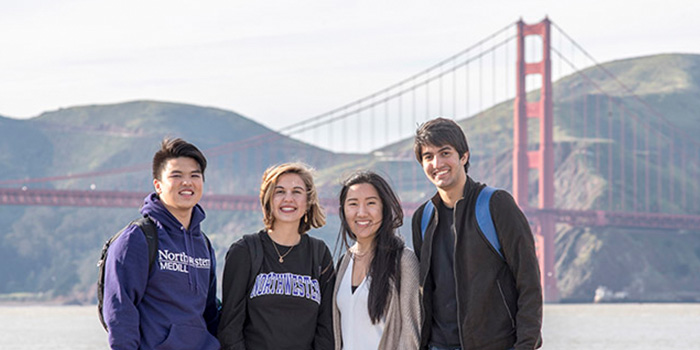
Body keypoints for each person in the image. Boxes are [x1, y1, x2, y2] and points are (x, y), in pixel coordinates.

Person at [411, 118, 543, 350]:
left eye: (445, 153)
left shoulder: (496, 205)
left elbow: (528, 281)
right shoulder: (422, 218)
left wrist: (525, 345)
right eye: (428, 157)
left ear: (464, 156)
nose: (437, 163)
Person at [102, 138, 220, 349]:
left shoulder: (204, 244)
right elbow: (120, 312)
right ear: (158, 185)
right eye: (176, 176)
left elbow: (209, 311)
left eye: (195, 175)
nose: (187, 182)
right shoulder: (136, 239)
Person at [218, 162, 335, 350]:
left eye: (297, 192)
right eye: (279, 192)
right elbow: (230, 326)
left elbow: (327, 327)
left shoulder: (319, 253)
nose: (288, 198)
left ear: (308, 202)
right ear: (268, 200)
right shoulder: (245, 251)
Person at [332, 171, 421, 350]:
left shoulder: (403, 260)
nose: (362, 212)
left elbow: (411, 334)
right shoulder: (344, 262)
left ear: (384, 208)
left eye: (371, 203)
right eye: (353, 204)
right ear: (343, 211)